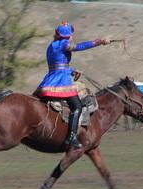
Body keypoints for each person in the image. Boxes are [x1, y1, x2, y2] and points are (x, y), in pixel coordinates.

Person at [33, 21, 111, 150]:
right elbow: (78, 47)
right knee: (77, 106)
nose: (72, 37)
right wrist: (100, 42)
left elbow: (58, 65)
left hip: (49, 80)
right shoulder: (64, 44)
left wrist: (71, 70)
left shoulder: (52, 45)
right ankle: (72, 137)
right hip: (61, 82)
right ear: (68, 35)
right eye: (71, 34)